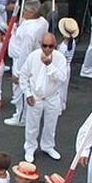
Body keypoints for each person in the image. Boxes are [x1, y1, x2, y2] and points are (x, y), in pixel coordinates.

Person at [18, 32, 68, 162]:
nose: (47, 49)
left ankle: (48, 146)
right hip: (36, 97)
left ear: (54, 45)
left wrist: (49, 65)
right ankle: (30, 148)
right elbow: (23, 76)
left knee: (51, 124)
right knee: (32, 125)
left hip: (52, 97)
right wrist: (27, 93)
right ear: (40, 44)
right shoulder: (33, 56)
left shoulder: (60, 58)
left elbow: (62, 78)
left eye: (50, 46)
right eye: (44, 46)